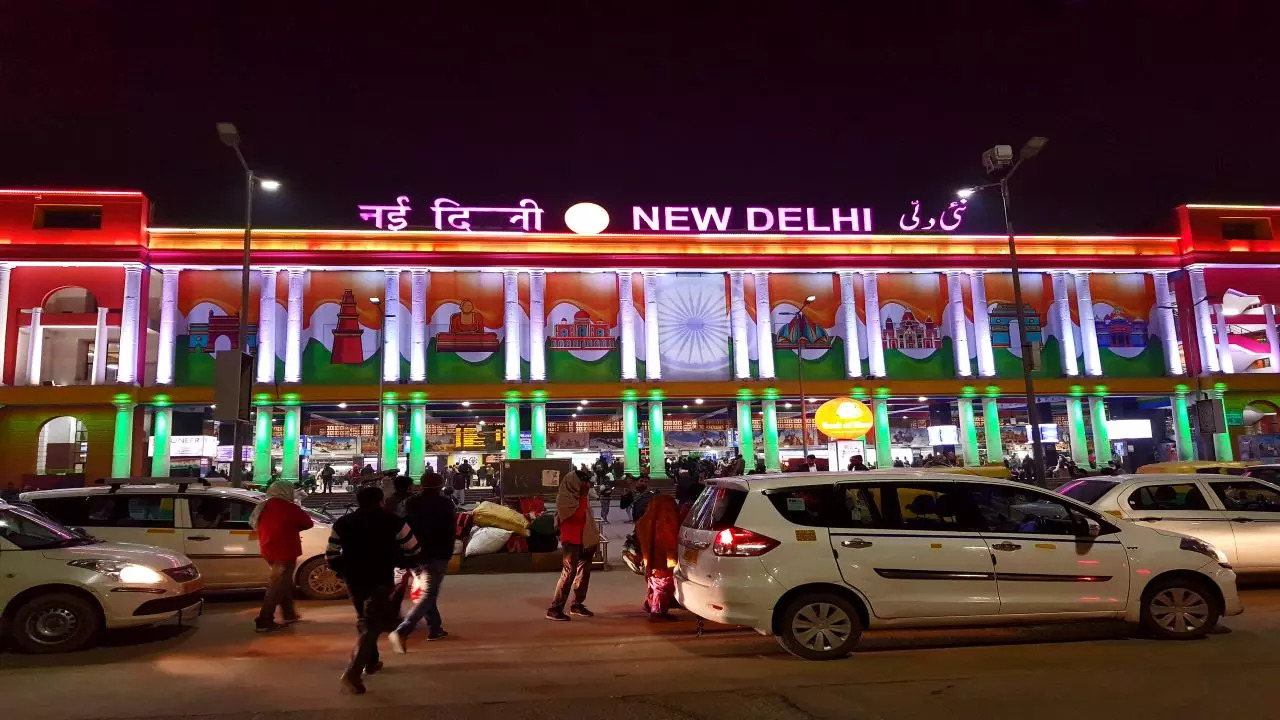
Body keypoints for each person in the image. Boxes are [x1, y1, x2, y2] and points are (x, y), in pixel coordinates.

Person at [325, 485, 421, 695]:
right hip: (380, 579)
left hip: (354, 580)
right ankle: (353, 672)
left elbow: (331, 555)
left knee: (365, 619)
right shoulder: (394, 522)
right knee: (371, 625)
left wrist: (345, 569)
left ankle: (372, 661)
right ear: (380, 501)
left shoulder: (343, 523)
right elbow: (414, 550)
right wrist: (401, 562)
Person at [389, 471, 457, 652]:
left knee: (428, 592)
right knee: (428, 594)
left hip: (415, 553)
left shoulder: (410, 503)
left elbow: (402, 527)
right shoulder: (445, 504)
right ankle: (403, 630)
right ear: (441, 486)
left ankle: (435, 628)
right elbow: (450, 529)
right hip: (438, 554)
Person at [248, 481, 314, 632]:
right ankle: (264, 619)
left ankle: (289, 613)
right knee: (278, 585)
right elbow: (307, 523)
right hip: (285, 550)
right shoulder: (288, 507)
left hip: (269, 549)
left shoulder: (263, 506)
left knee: (284, 582)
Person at [547, 472, 599, 621]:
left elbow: (588, 519)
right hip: (571, 541)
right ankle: (554, 608)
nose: (585, 485)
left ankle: (577, 604)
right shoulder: (564, 498)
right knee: (569, 573)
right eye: (582, 482)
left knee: (584, 573)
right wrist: (583, 496)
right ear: (573, 483)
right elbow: (577, 517)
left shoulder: (581, 497)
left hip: (585, 540)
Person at [634, 493, 681, 621]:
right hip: (661, 560)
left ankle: (650, 604)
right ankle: (658, 612)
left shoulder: (645, 520)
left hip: (648, 559)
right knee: (663, 584)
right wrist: (672, 560)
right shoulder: (666, 522)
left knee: (653, 583)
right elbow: (669, 543)